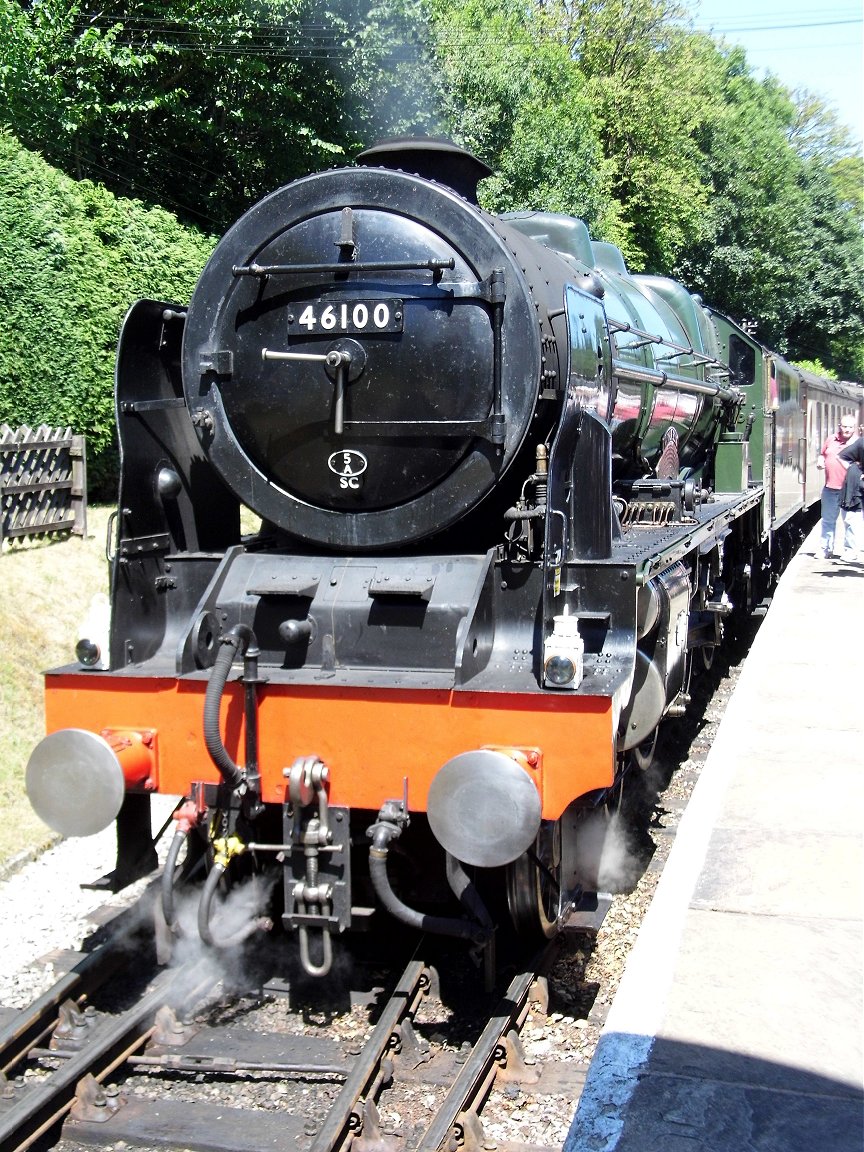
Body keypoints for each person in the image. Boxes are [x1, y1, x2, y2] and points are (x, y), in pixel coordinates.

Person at [815, 416, 857, 558]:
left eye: (850, 427)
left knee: (850, 521)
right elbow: (822, 454)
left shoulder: (858, 443)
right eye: (844, 426)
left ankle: (850, 551)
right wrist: (820, 461)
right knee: (827, 520)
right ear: (840, 426)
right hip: (830, 487)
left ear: (854, 428)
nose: (847, 429)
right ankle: (825, 549)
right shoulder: (831, 439)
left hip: (850, 490)